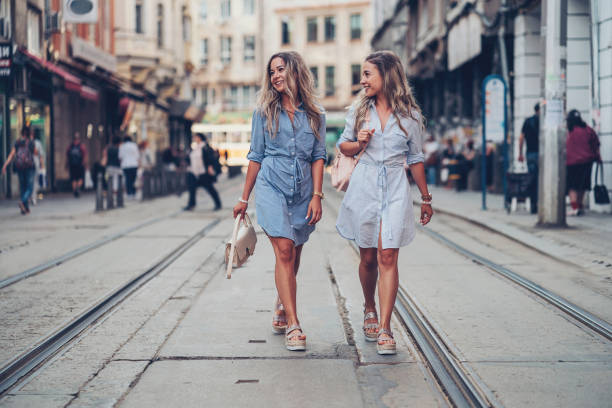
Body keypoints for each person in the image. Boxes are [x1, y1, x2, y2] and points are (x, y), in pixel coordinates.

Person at [336, 50, 433, 355]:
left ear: (386, 75)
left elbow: (415, 158)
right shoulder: (358, 110)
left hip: (394, 185)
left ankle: (386, 328)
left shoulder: (411, 115)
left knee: (388, 256)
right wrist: (360, 142)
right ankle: (369, 307)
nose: (362, 80)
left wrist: (426, 198)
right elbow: (344, 147)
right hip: (364, 184)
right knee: (367, 258)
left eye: (367, 74)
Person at [233, 51, 326, 351]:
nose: (275, 76)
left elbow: (318, 156)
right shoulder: (263, 112)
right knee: (284, 250)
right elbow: (255, 156)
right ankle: (294, 324)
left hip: (302, 191)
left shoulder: (316, 115)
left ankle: (281, 302)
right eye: (271, 71)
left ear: (296, 71)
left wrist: (317, 196)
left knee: (294, 253)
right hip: (271, 184)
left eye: (280, 69)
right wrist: (243, 198)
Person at [566, 109, 601, 216]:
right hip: (587, 162)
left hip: (572, 163)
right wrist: (598, 157)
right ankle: (580, 206)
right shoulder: (588, 130)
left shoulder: (569, 131)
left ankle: (575, 208)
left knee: (572, 186)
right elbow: (596, 144)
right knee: (582, 186)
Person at [2, 126, 39, 214]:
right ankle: (23, 202)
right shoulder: (30, 142)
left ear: (21, 133)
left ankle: (25, 209)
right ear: (29, 133)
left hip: (19, 167)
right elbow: (36, 153)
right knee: (30, 187)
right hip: (29, 167)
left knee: (23, 187)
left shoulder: (17, 142)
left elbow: (12, 154)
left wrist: (5, 165)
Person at [184, 133, 222, 211]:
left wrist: (210, 167)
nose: (194, 139)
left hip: (203, 172)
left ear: (200, 138)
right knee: (192, 188)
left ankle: (218, 204)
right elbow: (189, 159)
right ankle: (191, 204)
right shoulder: (194, 148)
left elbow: (210, 158)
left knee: (209, 188)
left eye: (196, 137)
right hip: (193, 172)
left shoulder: (205, 147)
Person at [518, 103, 540, 213]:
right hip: (541, 155)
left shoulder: (528, 121)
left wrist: (520, 153)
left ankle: (533, 203)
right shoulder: (544, 120)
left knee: (532, 178)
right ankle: (539, 203)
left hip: (530, 154)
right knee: (541, 179)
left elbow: (521, 138)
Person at [66, 132, 87, 197]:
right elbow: (84, 155)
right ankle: (78, 188)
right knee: (80, 178)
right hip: (80, 165)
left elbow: (67, 156)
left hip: (72, 165)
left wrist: (67, 165)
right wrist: (84, 164)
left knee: (73, 178)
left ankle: (75, 189)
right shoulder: (81, 146)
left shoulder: (70, 146)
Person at [30, 127, 45, 205]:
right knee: (35, 182)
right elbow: (40, 155)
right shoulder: (37, 143)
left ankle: (29, 197)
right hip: (34, 164)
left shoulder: (24, 142)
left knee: (30, 182)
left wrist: (42, 166)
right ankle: (33, 197)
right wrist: (42, 166)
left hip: (29, 165)